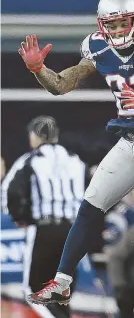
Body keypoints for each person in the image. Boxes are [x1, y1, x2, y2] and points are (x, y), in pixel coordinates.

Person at [20, 0, 134, 318]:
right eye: (109, 26)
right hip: (129, 142)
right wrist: (38, 70)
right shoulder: (96, 46)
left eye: (121, 23)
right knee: (88, 208)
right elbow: (62, 84)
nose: (115, 32)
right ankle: (62, 281)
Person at [2, 116, 86, 318]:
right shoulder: (75, 159)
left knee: (34, 292)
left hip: (45, 229)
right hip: (73, 232)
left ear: (34, 136)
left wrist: (20, 218)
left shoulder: (31, 160)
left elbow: (9, 192)